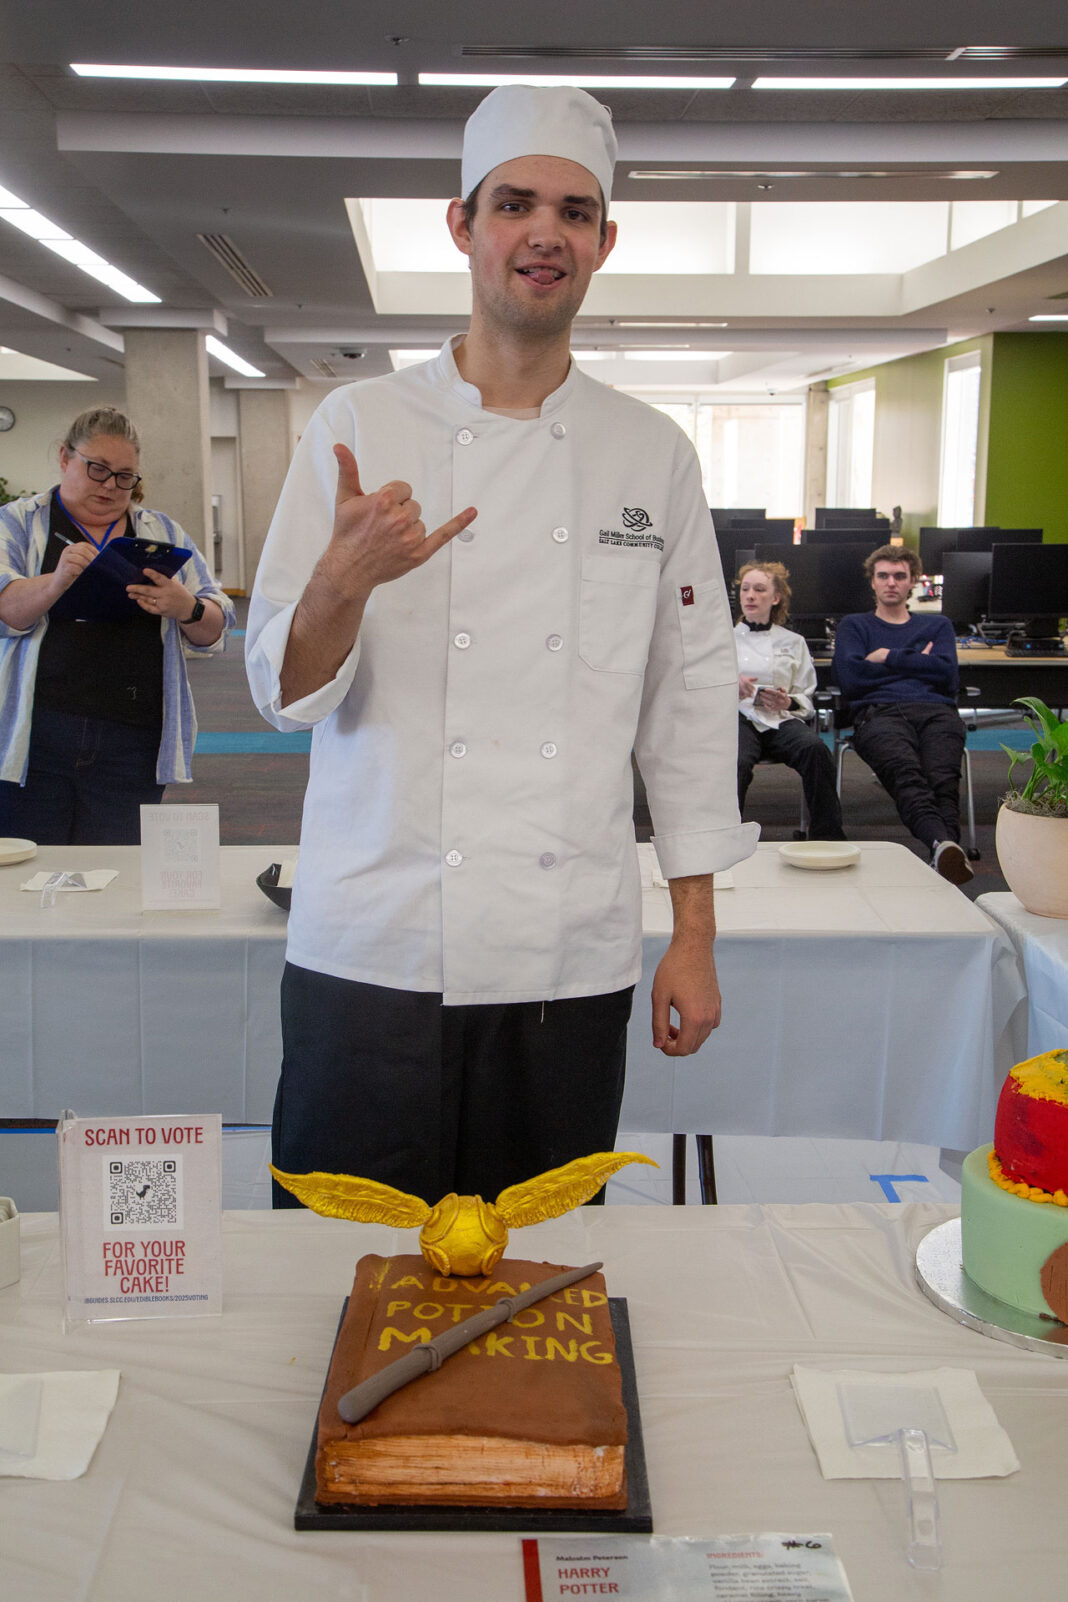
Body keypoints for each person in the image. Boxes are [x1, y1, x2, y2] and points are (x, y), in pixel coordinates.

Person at [246, 84, 758, 1207]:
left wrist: (695, 934)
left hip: (565, 948)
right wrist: (343, 579)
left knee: (542, 1277)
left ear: (603, 243)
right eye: (515, 204)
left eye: (575, 213)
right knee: (345, 1270)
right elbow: (280, 693)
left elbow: (686, 701)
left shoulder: (651, 452)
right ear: (462, 226)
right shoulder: (356, 428)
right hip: (371, 943)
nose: (545, 233)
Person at [0, 406, 234, 844]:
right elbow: (6, 611)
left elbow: (217, 627)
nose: (110, 486)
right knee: (26, 872)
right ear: (65, 457)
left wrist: (188, 608)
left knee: (118, 874)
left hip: (134, 737)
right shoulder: (16, 523)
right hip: (36, 735)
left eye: (125, 477)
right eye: (97, 469)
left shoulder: (162, 530)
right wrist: (55, 582)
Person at [832, 543, 972, 884]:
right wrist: (918, 661)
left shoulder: (937, 626)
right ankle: (945, 848)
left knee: (942, 780)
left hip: (937, 712)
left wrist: (887, 656)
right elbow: (850, 680)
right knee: (907, 775)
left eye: (899, 576)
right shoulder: (854, 626)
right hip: (879, 714)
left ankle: (943, 851)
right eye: (883, 576)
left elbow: (948, 676)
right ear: (873, 582)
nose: (891, 582)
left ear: (912, 582)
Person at [734, 561, 845, 840]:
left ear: (775, 598)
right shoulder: (722, 639)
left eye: (759, 590)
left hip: (778, 718)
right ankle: (726, 841)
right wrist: (728, 685)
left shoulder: (793, 641)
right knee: (735, 761)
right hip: (737, 716)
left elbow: (804, 694)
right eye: (745, 589)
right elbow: (698, 686)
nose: (750, 595)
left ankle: (827, 837)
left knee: (815, 750)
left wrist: (788, 702)